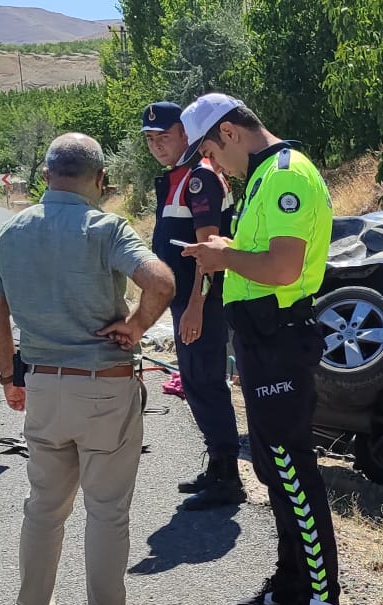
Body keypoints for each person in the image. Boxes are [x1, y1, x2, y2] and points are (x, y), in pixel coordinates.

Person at [0, 133, 174, 605]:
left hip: (42, 384)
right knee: (106, 509)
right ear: (100, 180)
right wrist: (135, 326)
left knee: (44, 506)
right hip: (104, 387)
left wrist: (7, 377)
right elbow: (160, 281)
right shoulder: (106, 228)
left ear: (45, 177)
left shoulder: (10, 233)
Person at [178, 94, 342, 605]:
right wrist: (225, 249)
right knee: (275, 471)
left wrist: (224, 258)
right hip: (257, 339)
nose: (211, 164)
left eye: (208, 150)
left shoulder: (285, 175)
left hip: (279, 341)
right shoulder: (261, 179)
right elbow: (260, 255)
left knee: (294, 471)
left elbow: (283, 267)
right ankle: (293, 582)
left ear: (228, 132)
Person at [140, 100, 248, 511]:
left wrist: (196, 307)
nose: (157, 146)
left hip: (200, 302)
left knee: (206, 382)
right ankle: (217, 466)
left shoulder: (199, 179)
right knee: (195, 382)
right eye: (150, 140)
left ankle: (228, 477)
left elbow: (208, 250)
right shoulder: (179, 177)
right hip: (185, 300)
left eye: (164, 137)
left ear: (186, 134)